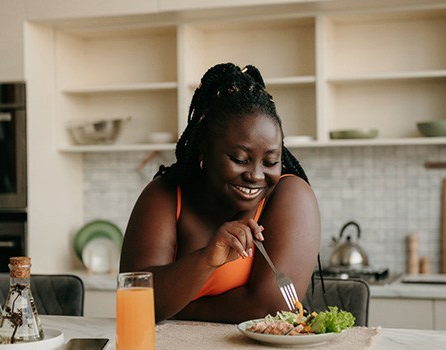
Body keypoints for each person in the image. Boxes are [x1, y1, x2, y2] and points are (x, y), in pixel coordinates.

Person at [120, 63, 321, 323]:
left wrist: (180, 308)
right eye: (239, 158)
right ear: (204, 153)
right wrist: (205, 259)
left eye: (271, 161)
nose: (256, 175)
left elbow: (270, 309)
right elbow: (136, 299)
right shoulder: (166, 193)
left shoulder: (291, 196)